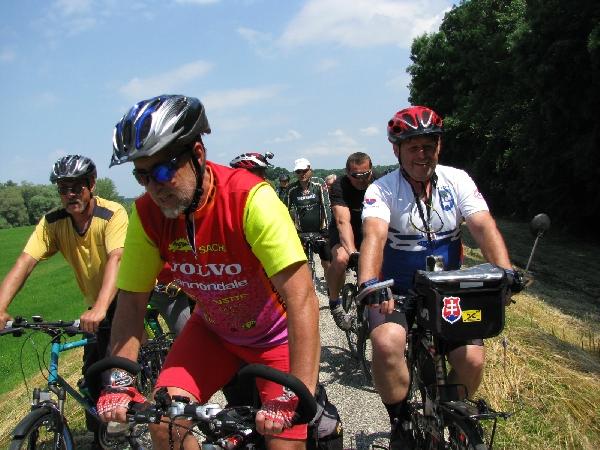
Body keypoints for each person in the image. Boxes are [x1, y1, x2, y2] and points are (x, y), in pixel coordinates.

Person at [97, 95, 320, 450]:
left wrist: (300, 391)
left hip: (276, 337)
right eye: (142, 176)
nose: (154, 187)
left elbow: (302, 298)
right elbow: (132, 302)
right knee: (164, 424)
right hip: (214, 331)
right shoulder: (147, 214)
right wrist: (120, 382)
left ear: (198, 155)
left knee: (283, 441)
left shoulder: (250, 199)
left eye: (163, 171)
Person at [358, 106, 521, 449]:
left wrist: (505, 271)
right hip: (398, 291)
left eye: (429, 146)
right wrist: (369, 283)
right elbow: (374, 236)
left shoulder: (457, 179)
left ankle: (451, 411)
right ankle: (400, 421)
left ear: (439, 147)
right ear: (396, 150)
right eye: (413, 147)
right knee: (386, 344)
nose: (422, 154)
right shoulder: (382, 189)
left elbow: (482, 226)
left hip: (449, 290)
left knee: (472, 359)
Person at [0, 155, 128, 449]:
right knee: (91, 375)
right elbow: (25, 261)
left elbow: (117, 258)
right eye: (63, 189)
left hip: (122, 299)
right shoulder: (53, 222)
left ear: (91, 184)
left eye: (76, 187)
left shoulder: (112, 214)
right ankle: (99, 437)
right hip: (95, 306)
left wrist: (101, 308)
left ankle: (126, 430)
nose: (70, 194)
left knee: (114, 376)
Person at [326, 152, 375, 331]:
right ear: (347, 173)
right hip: (344, 229)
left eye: (365, 175)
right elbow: (342, 221)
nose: (361, 180)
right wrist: (353, 252)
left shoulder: (379, 183)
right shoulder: (340, 185)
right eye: (356, 176)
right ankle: (334, 303)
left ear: (371, 171)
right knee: (341, 258)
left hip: (367, 227)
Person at [286, 158, 332, 279]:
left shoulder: (319, 183)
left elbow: (326, 205)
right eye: (298, 171)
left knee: (327, 262)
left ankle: (330, 285)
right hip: (301, 231)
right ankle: (308, 286)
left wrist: (329, 228)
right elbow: (284, 210)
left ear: (310, 170)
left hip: (321, 230)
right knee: (304, 264)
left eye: (305, 171)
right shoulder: (291, 189)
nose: (302, 174)